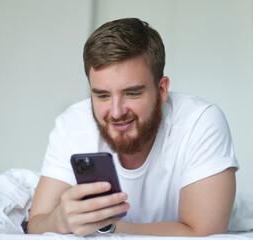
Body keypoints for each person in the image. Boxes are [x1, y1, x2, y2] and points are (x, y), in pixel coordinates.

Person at [28, 18, 239, 237]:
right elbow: (36, 224)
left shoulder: (200, 122)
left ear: (161, 90)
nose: (117, 112)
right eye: (102, 95)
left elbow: (204, 233)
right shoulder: (72, 125)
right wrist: (60, 219)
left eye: (132, 93)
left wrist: (107, 227)